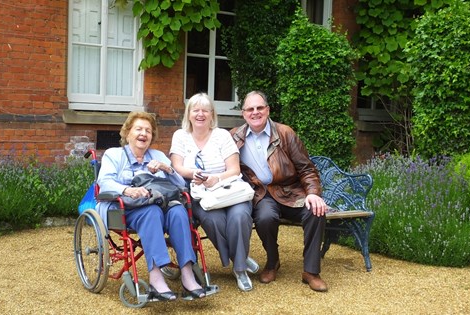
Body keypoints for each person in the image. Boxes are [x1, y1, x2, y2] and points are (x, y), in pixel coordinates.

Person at [96, 111, 206, 301]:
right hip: (125, 210)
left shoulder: (158, 156)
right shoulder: (114, 155)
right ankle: (156, 277)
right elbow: (104, 182)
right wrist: (127, 190)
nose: (143, 134)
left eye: (148, 131)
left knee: (179, 211)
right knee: (151, 212)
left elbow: (180, 184)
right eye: (138, 129)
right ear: (128, 133)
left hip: (160, 205)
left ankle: (187, 273)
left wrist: (166, 168)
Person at [230, 91, 329, 292]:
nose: (255, 112)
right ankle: (272, 261)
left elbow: (306, 168)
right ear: (243, 113)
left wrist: (313, 193)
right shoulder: (233, 137)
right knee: (265, 218)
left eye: (260, 108)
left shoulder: (285, 133)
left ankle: (311, 271)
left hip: (291, 191)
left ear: (268, 110)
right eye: (250, 109)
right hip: (262, 194)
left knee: (315, 212)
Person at [170, 92, 259, 292]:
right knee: (214, 221)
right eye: (196, 110)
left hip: (229, 189)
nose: (200, 114)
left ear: (212, 114)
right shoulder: (180, 136)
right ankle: (241, 259)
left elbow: (234, 169)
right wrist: (197, 175)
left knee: (239, 217)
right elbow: (177, 166)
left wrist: (215, 178)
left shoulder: (222, 135)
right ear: (189, 114)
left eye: (205, 110)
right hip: (201, 193)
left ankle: (240, 270)